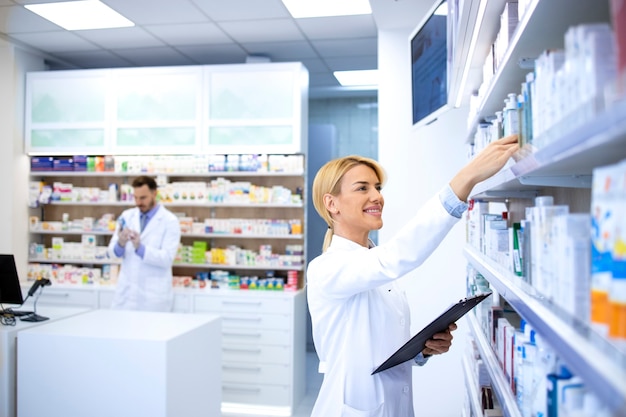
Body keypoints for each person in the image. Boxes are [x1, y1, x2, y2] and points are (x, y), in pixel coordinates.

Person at [307, 135, 520, 417]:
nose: (377, 196)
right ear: (332, 204)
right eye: (362, 188)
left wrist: (422, 351)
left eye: (378, 187)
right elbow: (398, 256)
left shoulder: (374, 263)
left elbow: (379, 347)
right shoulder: (327, 268)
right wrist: (466, 178)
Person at [107, 175, 181, 312]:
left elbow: (167, 259)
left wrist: (140, 248)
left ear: (154, 194)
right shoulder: (127, 216)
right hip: (126, 294)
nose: (138, 202)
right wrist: (121, 243)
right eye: (135, 198)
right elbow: (112, 252)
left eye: (143, 198)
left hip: (153, 297)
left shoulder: (170, 221)